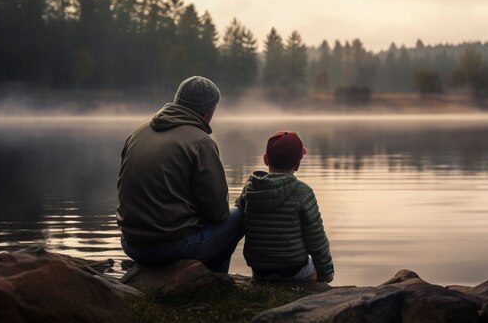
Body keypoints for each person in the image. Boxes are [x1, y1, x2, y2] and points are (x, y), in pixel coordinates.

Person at [117, 76, 243, 273]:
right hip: (170, 248)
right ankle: (214, 282)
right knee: (239, 216)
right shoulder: (201, 142)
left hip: (130, 243)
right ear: (209, 111)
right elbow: (218, 213)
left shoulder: (138, 133)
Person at [235, 131, 334, 282]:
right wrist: (326, 273)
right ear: (298, 164)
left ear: (266, 159)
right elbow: (316, 238)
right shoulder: (303, 192)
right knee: (313, 269)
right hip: (294, 270)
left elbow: (238, 215)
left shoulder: (251, 188)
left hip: (260, 270)